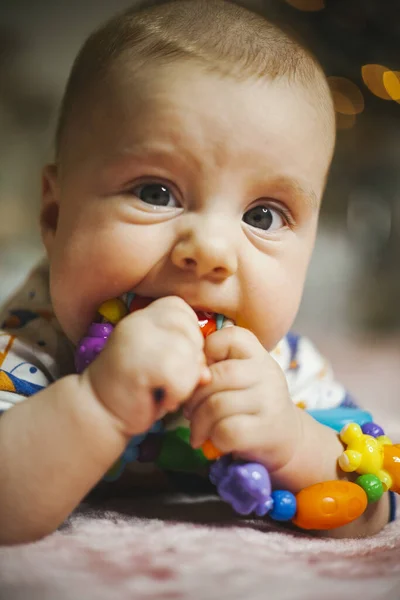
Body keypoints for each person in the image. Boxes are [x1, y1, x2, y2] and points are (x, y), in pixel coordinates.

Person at [0, 0, 392, 545]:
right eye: (156, 193)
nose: (209, 249)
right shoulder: (23, 348)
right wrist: (98, 405)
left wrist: (294, 443)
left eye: (263, 215)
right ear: (55, 215)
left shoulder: (278, 369)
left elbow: (375, 504)